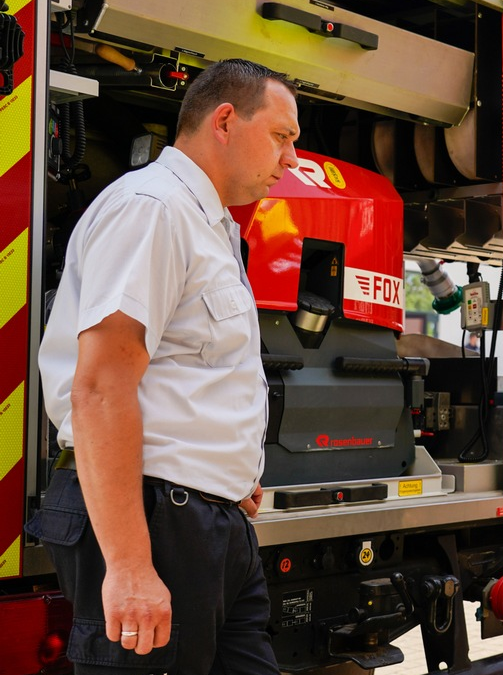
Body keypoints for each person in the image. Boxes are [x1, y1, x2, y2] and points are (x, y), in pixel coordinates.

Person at [29, 58, 299, 673]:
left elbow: (189, 370)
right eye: (282, 136)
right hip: (153, 522)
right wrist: (127, 565)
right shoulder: (153, 209)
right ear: (225, 120)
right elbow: (99, 388)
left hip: (210, 522)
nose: (291, 159)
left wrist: (224, 463)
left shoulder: (213, 226)